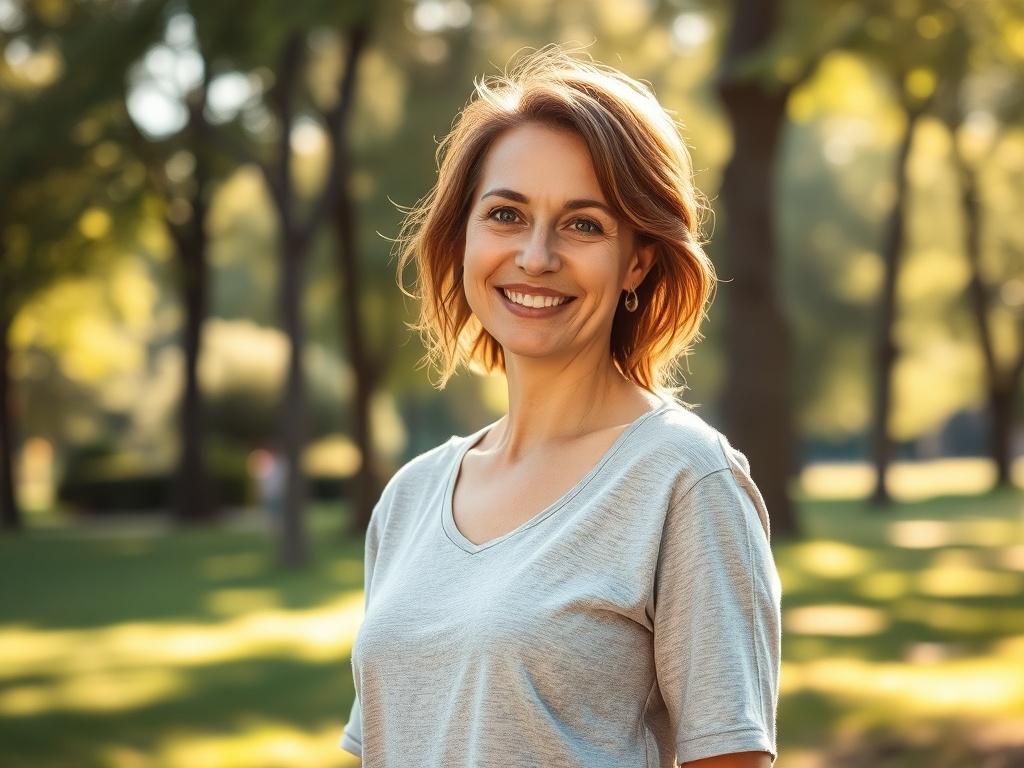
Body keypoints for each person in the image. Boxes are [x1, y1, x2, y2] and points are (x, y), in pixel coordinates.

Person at [340, 44, 781, 768]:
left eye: (583, 225)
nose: (536, 256)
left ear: (636, 261)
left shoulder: (685, 481)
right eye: (506, 214)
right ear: (463, 236)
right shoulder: (410, 498)